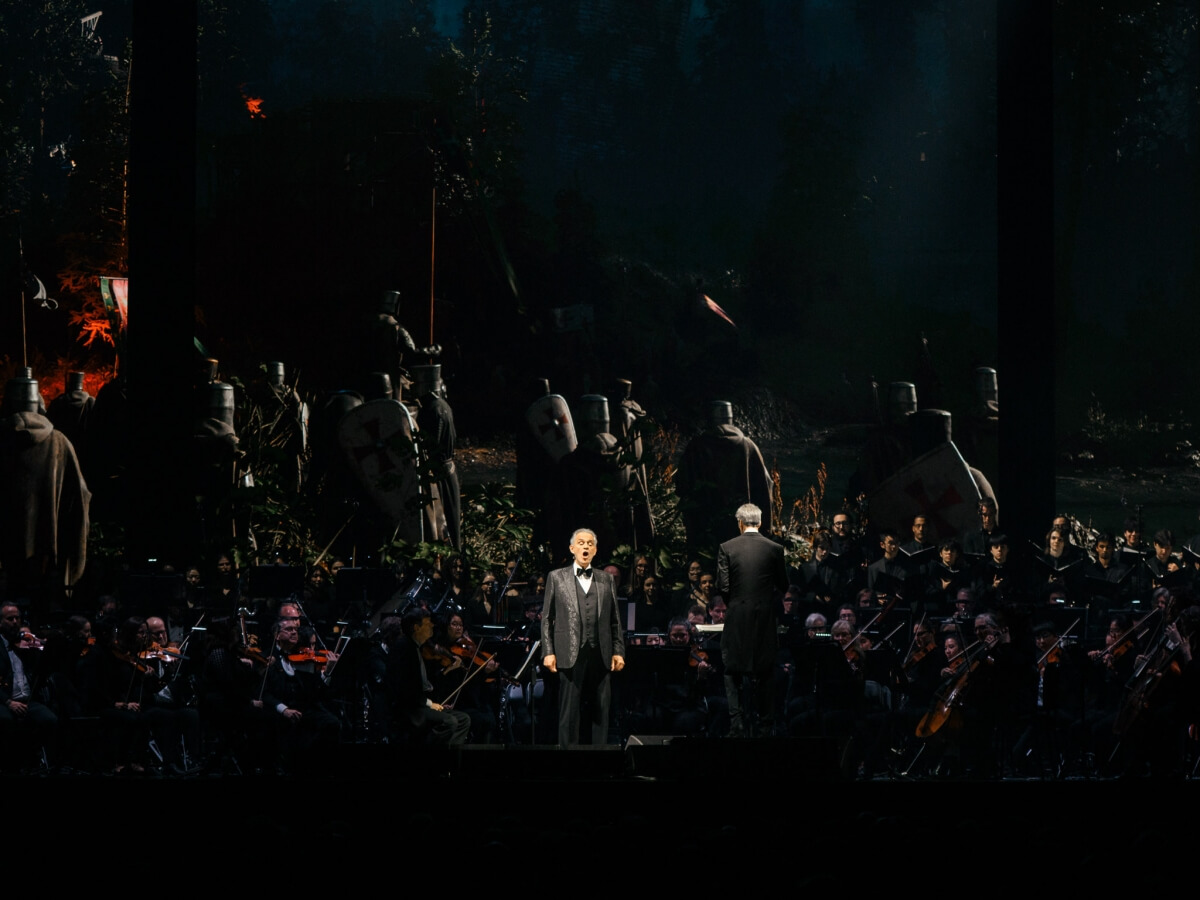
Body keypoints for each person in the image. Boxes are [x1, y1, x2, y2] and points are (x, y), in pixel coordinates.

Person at [541, 527, 626, 746]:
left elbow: (615, 620)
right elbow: (547, 618)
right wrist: (548, 652)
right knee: (569, 711)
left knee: (600, 709)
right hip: (569, 650)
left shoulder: (606, 579)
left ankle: (599, 761)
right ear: (572, 548)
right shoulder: (556, 577)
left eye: (589, 543)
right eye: (581, 543)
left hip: (601, 650)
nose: (585, 546)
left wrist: (618, 651)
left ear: (595, 550)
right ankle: (567, 761)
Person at [717, 503, 788, 737]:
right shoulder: (775, 548)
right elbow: (784, 585)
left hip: (737, 615)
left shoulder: (727, 548)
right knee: (766, 670)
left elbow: (723, 586)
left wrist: (736, 604)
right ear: (760, 522)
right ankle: (766, 725)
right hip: (765, 617)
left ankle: (736, 723)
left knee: (732, 670)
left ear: (740, 522)